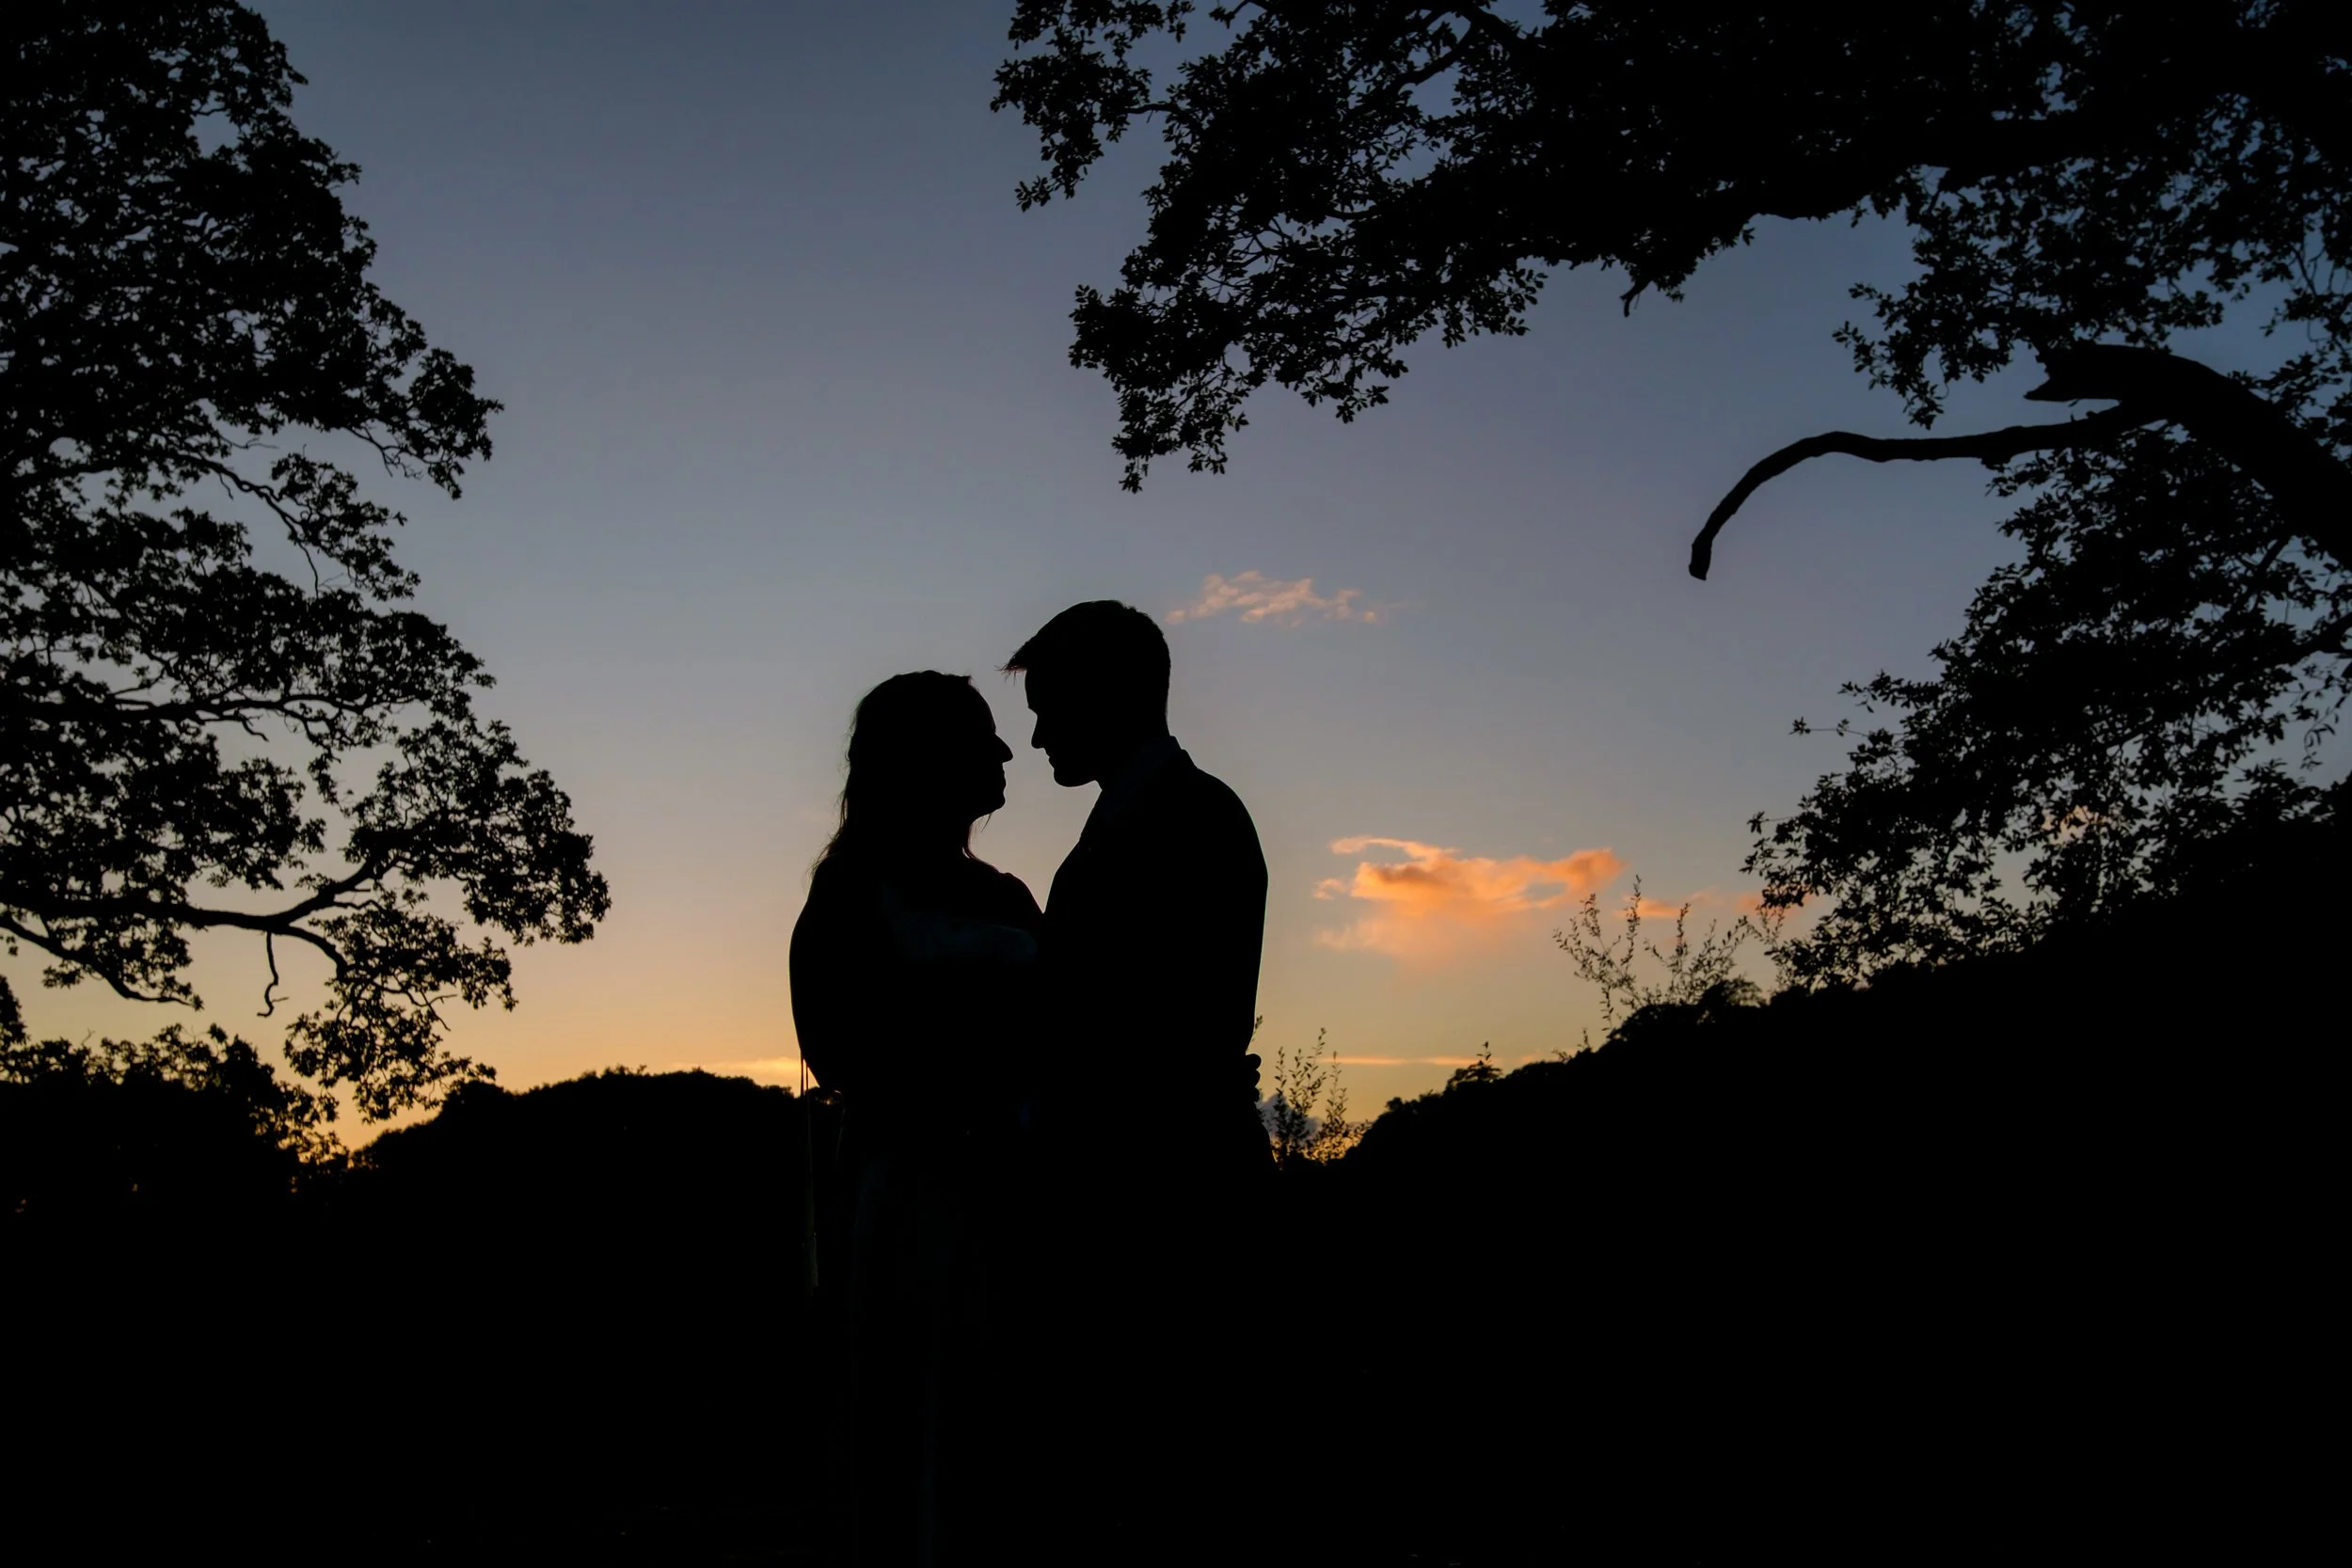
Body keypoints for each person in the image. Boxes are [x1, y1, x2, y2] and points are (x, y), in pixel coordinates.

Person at [1003, 600, 1272, 1562]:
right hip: (1136, 1192)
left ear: (1107, 695)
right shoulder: (1129, 818)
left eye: (1047, 707)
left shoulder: (1194, 816)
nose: (1032, 734)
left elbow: (1175, 1030)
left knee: (1180, 1487)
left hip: (1168, 1198)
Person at [787, 671, 1041, 1566]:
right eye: (982, 736)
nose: (1007, 752)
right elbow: (849, 1050)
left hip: (1014, 1203)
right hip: (916, 1207)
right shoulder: (853, 896)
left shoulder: (1008, 896)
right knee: (922, 1430)